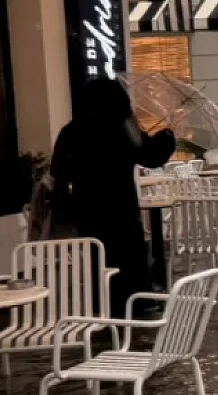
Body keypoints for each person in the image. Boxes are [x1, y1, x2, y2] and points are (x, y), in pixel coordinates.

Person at [50, 79, 176, 311]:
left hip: (86, 206)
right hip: (120, 204)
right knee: (126, 253)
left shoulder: (71, 130)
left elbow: (57, 170)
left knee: (98, 255)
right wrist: (166, 137)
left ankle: (102, 301)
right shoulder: (123, 128)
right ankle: (133, 301)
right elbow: (149, 156)